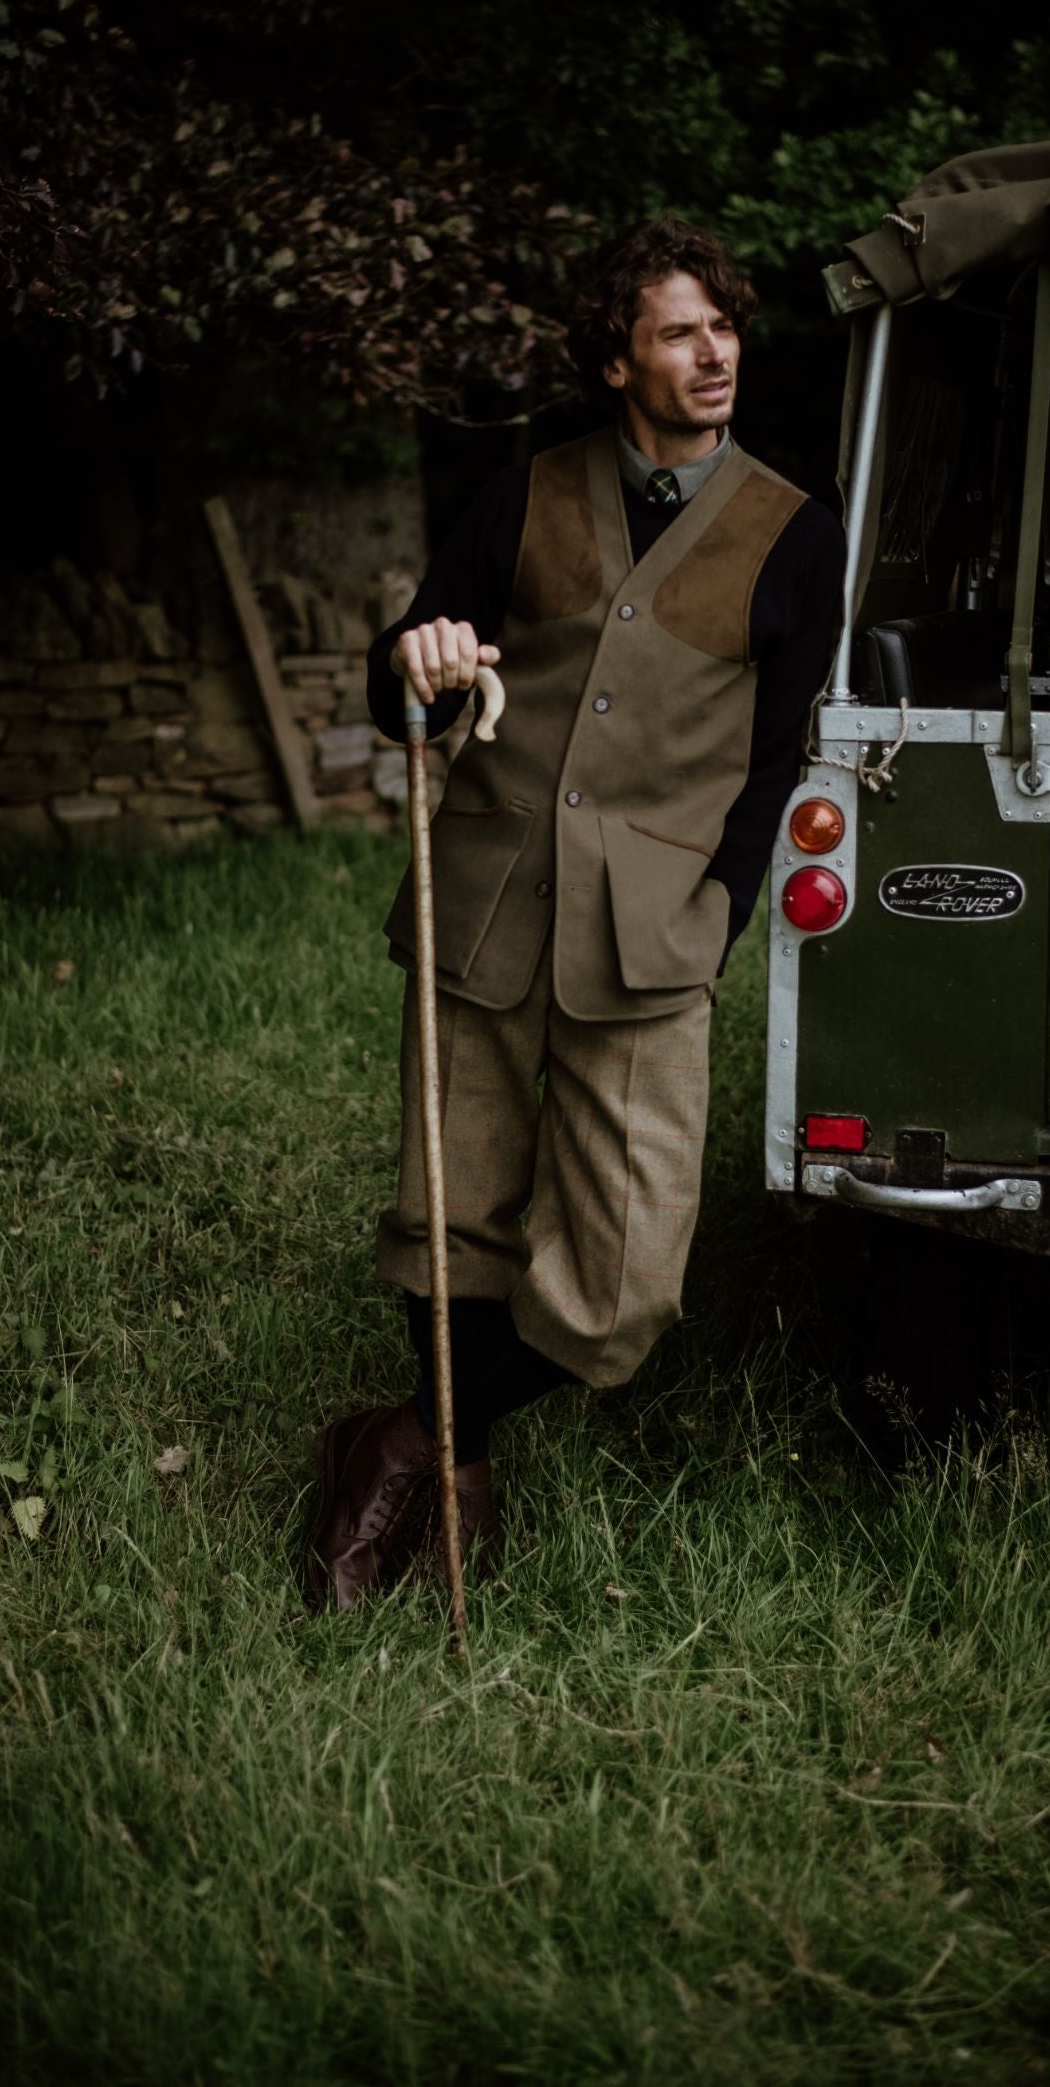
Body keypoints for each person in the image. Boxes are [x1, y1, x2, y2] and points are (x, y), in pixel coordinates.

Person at [304, 216, 845, 1609]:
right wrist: (408, 657)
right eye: (679, 329)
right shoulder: (524, 496)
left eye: (724, 324)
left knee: (622, 1284)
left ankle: (410, 1439)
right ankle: (448, 1492)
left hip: (651, 934)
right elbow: (408, 681)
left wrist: (718, 912)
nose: (715, 350)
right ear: (617, 359)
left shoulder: (793, 532)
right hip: (485, 903)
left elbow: (777, 758)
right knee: (454, 1221)